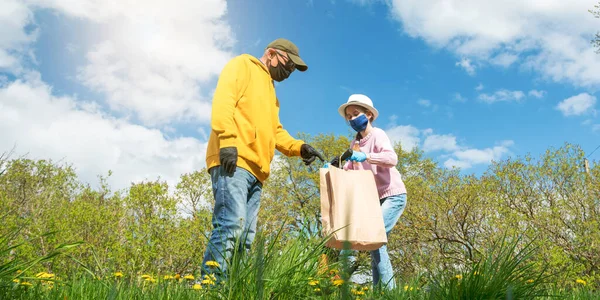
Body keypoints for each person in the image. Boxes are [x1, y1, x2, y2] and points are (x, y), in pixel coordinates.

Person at [201, 38, 325, 279]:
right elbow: (224, 101)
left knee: (245, 237)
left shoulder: (271, 93)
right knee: (230, 226)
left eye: (292, 69)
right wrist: (227, 140)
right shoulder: (242, 66)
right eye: (288, 65)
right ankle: (209, 288)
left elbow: (275, 130)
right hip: (233, 160)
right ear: (271, 53)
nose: (289, 72)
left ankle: (232, 289)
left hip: (258, 171)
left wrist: (299, 147)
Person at [330, 94, 407, 290]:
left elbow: (391, 158)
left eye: (356, 114)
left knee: (374, 238)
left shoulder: (378, 134)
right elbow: (351, 170)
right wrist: (336, 167)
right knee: (375, 245)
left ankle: (389, 293)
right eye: (348, 116)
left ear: (369, 115)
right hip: (373, 200)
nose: (351, 119)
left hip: (393, 195)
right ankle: (380, 292)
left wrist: (366, 156)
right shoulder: (354, 144)